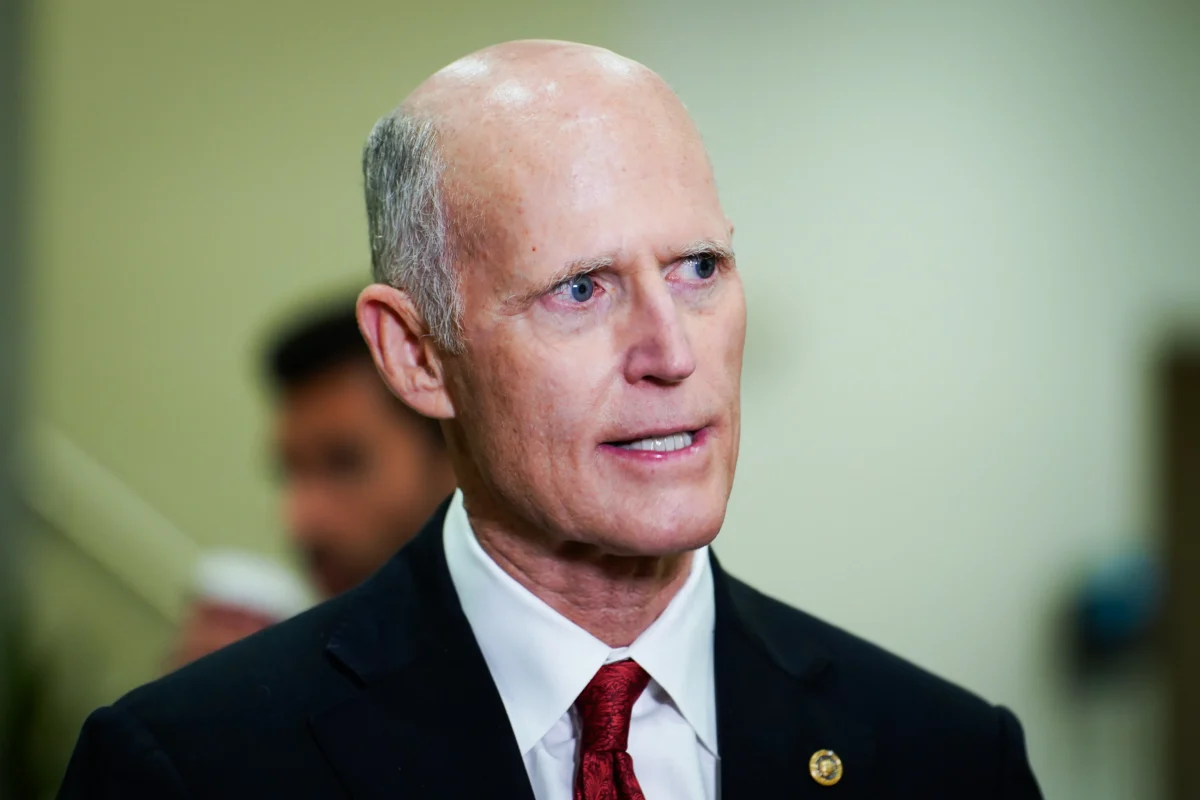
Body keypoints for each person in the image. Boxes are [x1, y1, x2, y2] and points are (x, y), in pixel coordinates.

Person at [56, 40, 1043, 798]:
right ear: (415, 352)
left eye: (699, 268)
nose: (673, 351)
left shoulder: (948, 755)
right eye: (580, 289)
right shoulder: (192, 767)